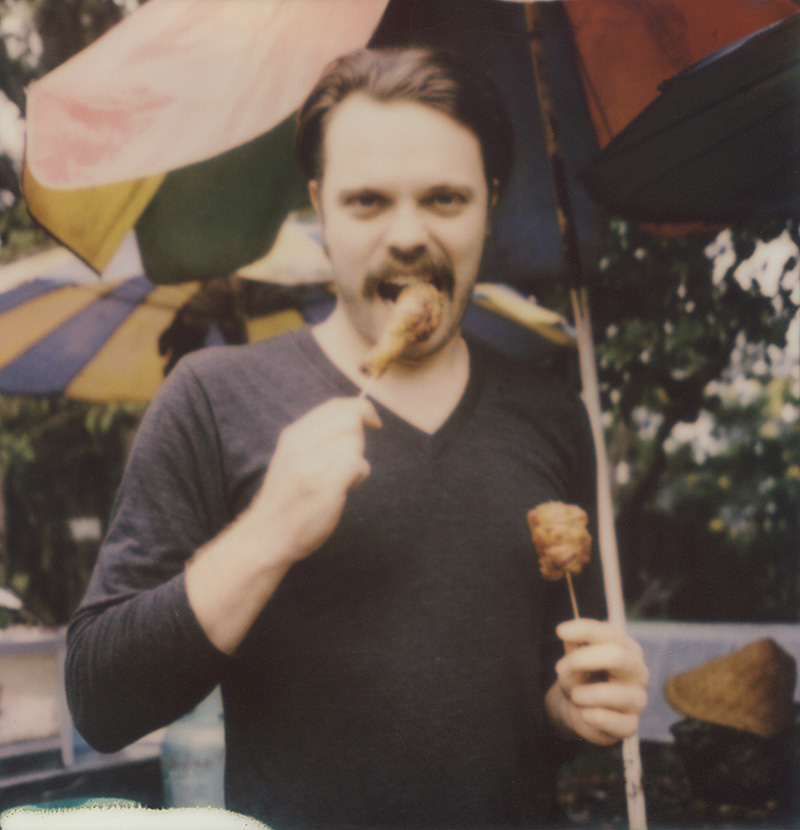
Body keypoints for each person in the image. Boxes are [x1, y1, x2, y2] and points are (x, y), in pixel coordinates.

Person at [67, 47, 648, 829]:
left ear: (489, 203)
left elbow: (552, 693)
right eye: (368, 201)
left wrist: (572, 711)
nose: (407, 235)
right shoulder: (211, 400)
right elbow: (101, 705)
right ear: (321, 208)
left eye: (445, 198)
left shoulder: (552, 414)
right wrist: (267, 535)